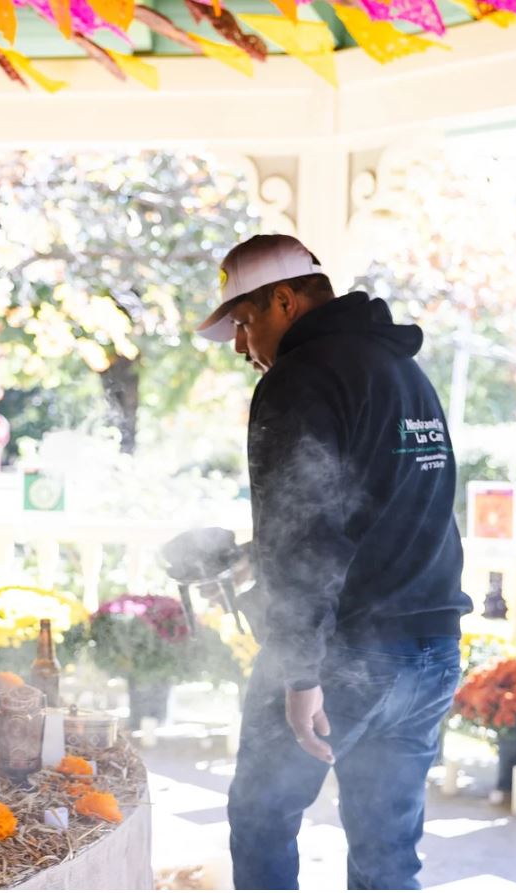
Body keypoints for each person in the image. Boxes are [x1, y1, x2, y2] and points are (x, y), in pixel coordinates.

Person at [196, 234, 472, 890]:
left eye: (242, 322)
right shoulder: (401, 371)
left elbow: (303, 539)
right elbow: (383, 512)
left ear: (283, 302)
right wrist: (247, 557)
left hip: (345, 656)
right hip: (429, 652)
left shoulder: (298, 377)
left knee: (261, 819)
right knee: (388, 858)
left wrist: (298, 674)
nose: (240, 347)